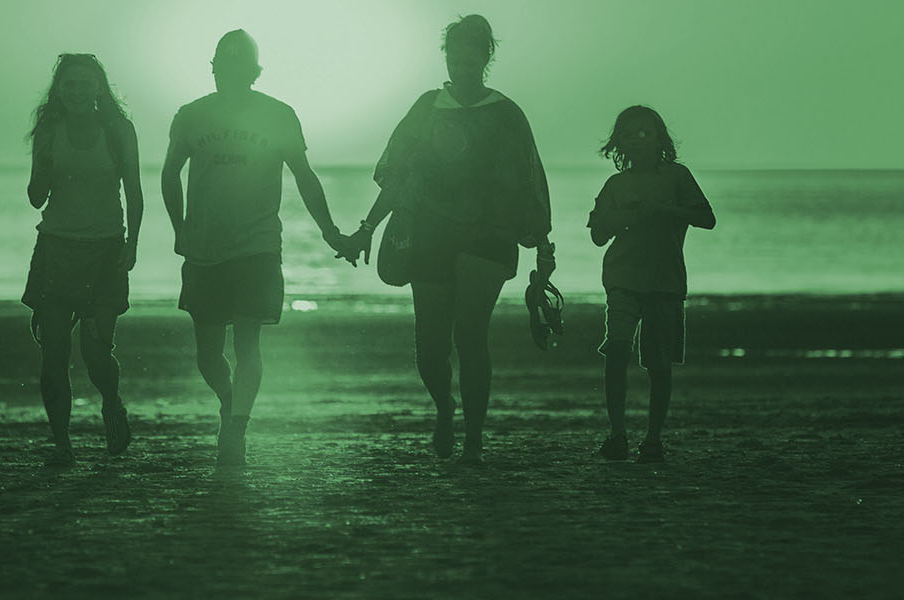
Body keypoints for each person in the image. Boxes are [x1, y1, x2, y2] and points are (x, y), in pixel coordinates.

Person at [343, 15, 552, 464]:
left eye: (471, 52)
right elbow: (397, 178)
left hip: (490, 236)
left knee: (471, 334)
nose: (461, 61)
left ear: (486, 56)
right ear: (446, 55)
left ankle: (474, 438)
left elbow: (530, 180)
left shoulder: (507, 113)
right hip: (430, 232)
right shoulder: (426, 108)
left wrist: (543, 244)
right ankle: (445, 409)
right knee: (430, 344)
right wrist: (367, 227)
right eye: (454, 52)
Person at [162, 30, 352, 469]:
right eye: (220, 68)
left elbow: (305, 176)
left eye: (237, 67)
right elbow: (170, 173)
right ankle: (229, 401)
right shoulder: (191, 116)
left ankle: (236, 430)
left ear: (253, 72)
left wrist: (329, 231)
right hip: (204, 249)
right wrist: (179, 228)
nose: (228, 75)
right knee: (208, 356)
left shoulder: (278, 115)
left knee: (249, 344)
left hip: (258, 246)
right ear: (212, 70)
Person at [23, 53, 144, 466]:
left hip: (105, 250)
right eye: (69, 84)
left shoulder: (118, 130)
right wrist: (42, 165)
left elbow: (134, 189)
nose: (77, 91)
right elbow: (36, 197)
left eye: (85, 83)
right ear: (59, 90)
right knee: (54, 354)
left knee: (95, 353)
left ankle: (112, 402)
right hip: (56, 250)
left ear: (98, 88)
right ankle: (62, 445)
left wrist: (133, 243)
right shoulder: (48, 130)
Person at [587, 105, 715, 464]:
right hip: (622, 278)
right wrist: (623, 219)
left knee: (659, 364)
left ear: (660, 138)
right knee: (616, 350)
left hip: (665, 280)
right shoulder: (615, 184)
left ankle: (653, 440)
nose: (638, 140)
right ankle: (617, 434)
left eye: (646, 132)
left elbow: (707, 218)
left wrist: (666, 210)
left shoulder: (677, 177)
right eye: (629, 134)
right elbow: (597, 234)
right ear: (618, 143)